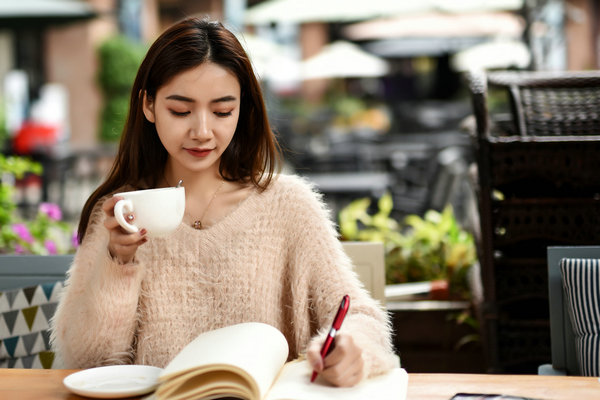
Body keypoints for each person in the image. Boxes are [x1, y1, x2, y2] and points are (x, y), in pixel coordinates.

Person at [50, 16, 397, 387]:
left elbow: (361, 316)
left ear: (243, 109)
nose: (201, 131)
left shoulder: (289, 206)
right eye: (180, 111)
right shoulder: (121, 211)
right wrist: (118, 262)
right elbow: (87, 362)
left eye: (222, 111)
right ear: (148, 106)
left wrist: (350, 347)